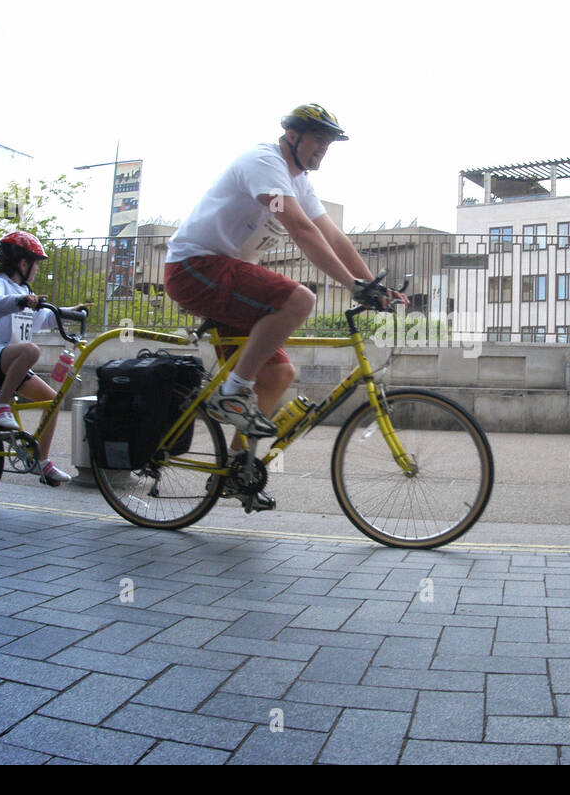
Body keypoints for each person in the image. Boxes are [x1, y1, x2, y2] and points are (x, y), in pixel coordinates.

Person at [164, 103, 398, 511]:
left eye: (329, 143)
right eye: (318, 140)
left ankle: (238, 471)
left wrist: (375, 287)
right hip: (193, 267)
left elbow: (334, 237)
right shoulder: (263, 162)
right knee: (299, 298)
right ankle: (232, 393)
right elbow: (300, 228)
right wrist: (351, 286)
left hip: (227, 276)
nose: (323, 149)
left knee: (277, 374)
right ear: (292, 136)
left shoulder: (299, 182)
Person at [0, 231, 89, 486]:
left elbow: (43, 318)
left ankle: (40, 461)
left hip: (7, 361)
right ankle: (0, 405)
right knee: (31, 350)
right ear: (23, 263)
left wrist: (70, 313)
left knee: (53, 401)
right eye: (35, 265)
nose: (36, 271)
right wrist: (18, 301)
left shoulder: (23, 291)